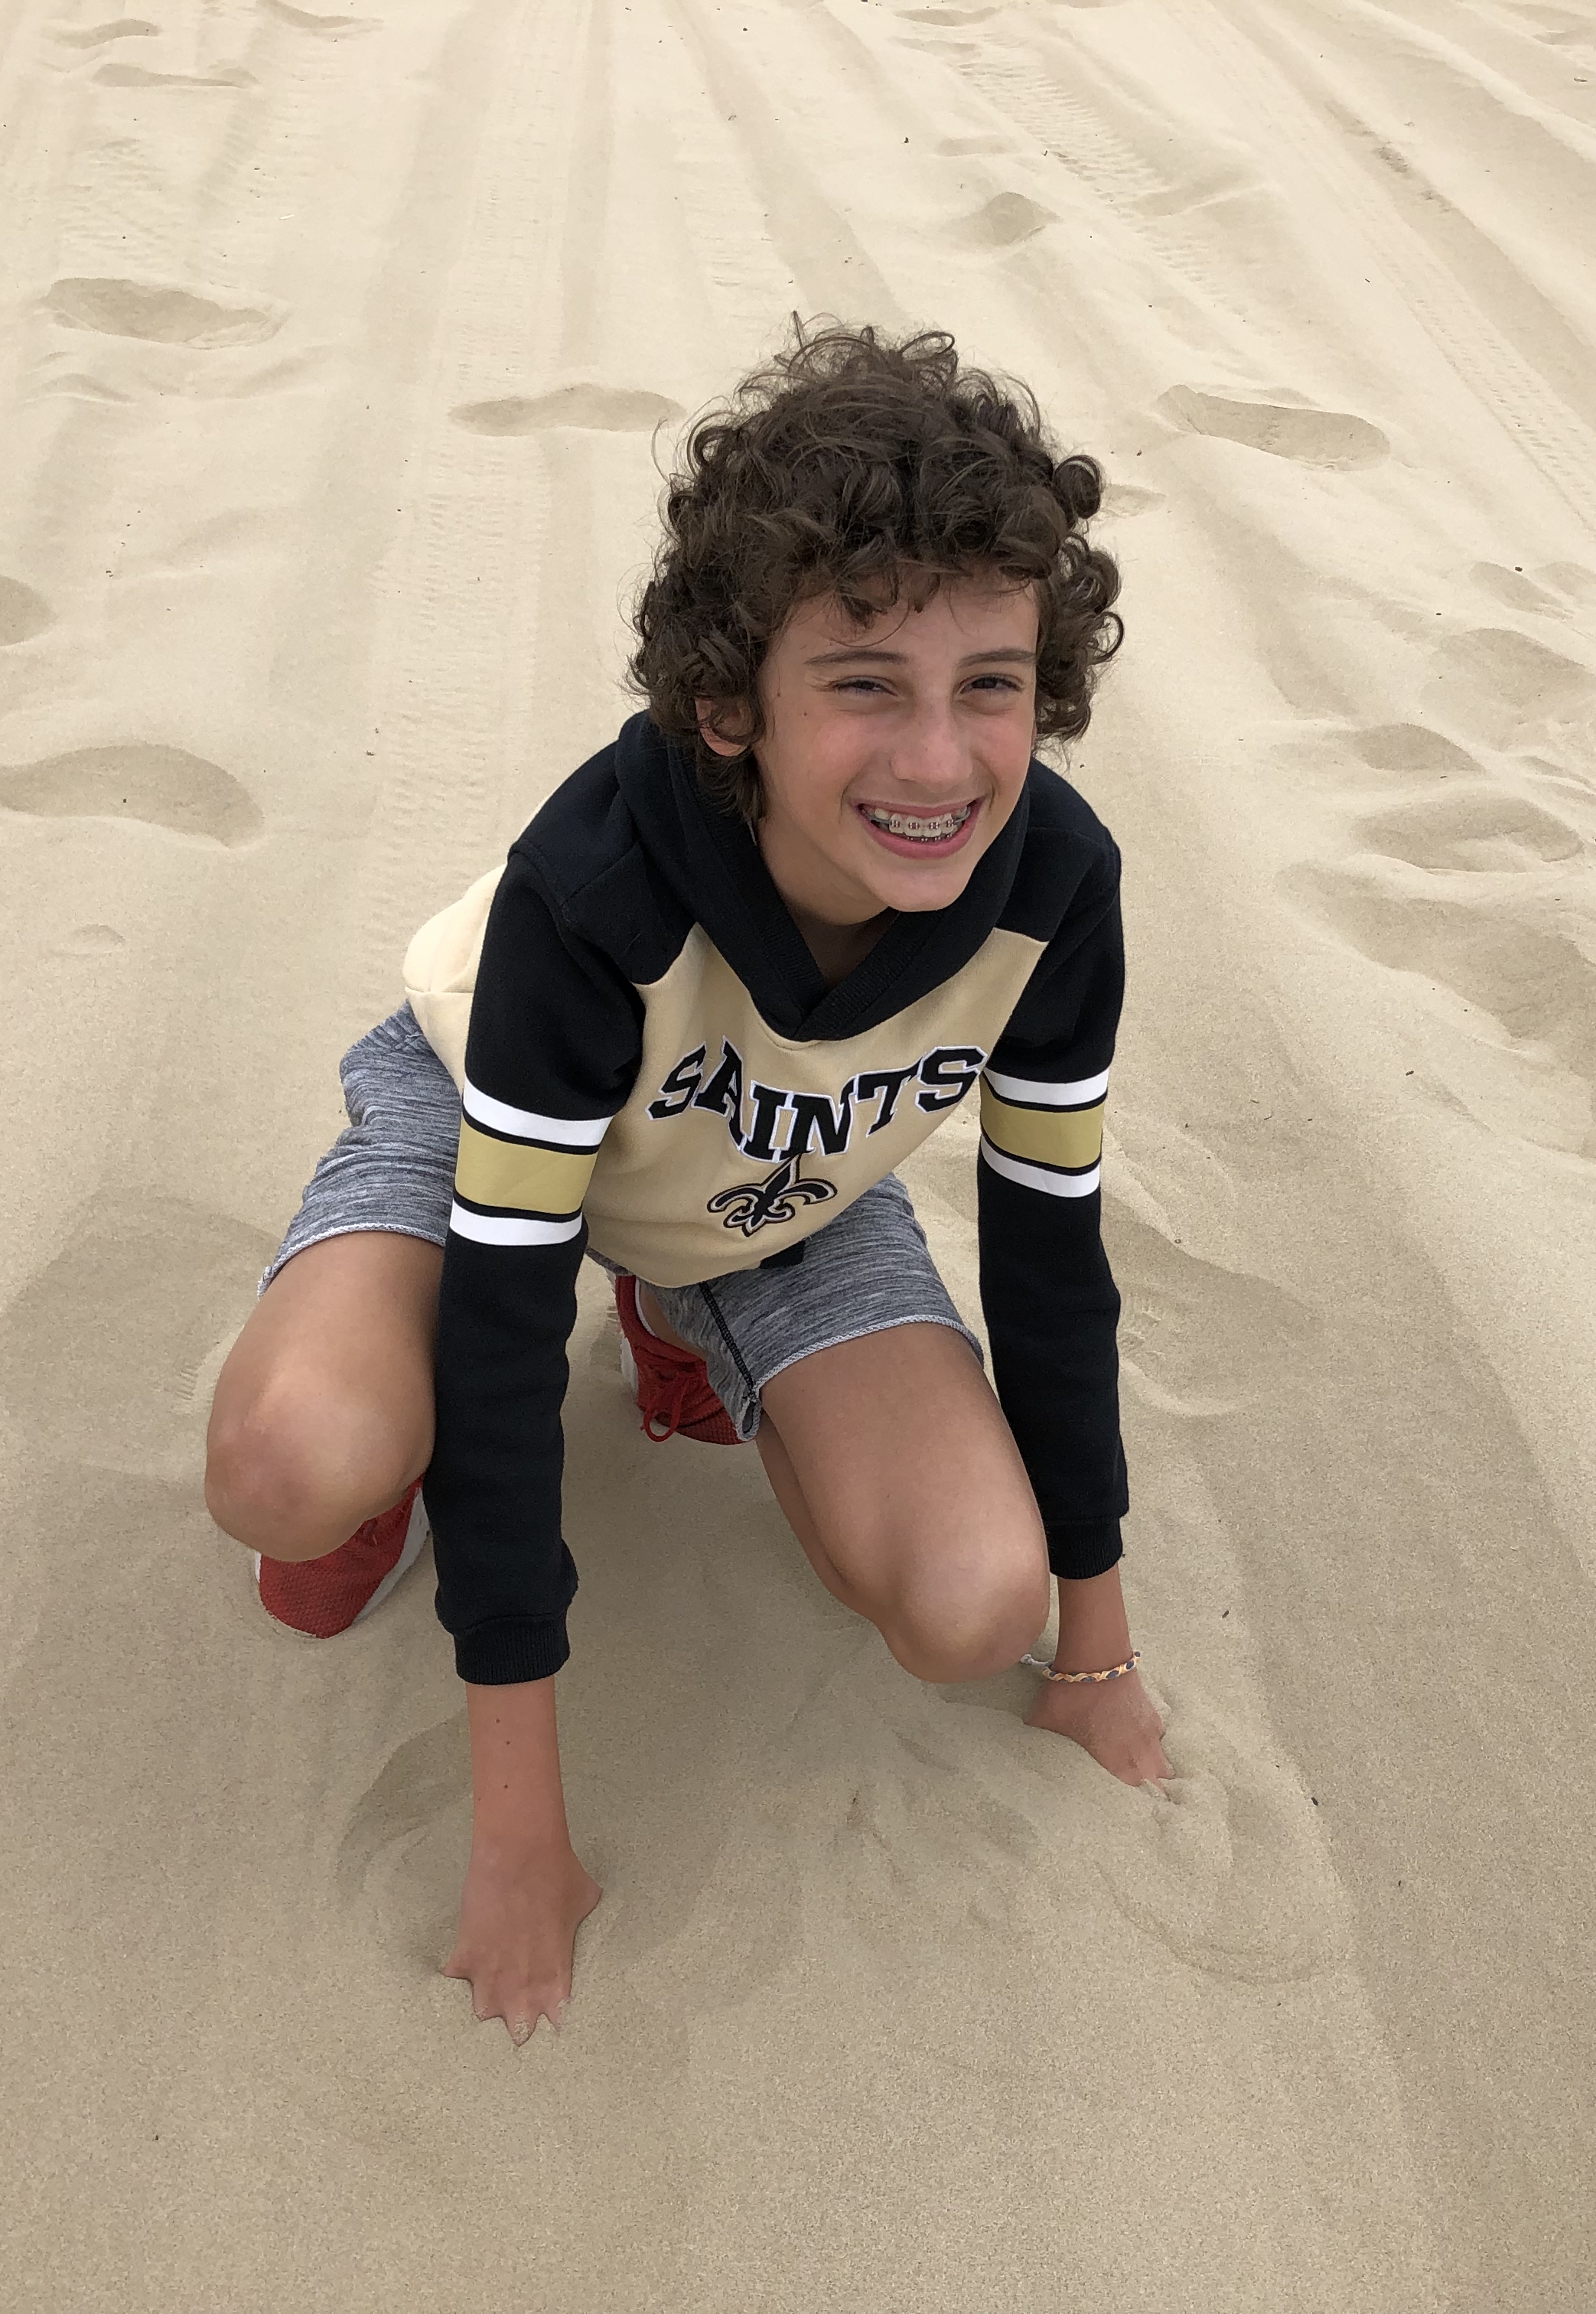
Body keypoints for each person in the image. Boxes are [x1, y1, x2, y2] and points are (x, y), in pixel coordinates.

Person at [203, 321, 1167, 2045]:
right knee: (290, 1466)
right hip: (495, 1113)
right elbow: (507, 1338)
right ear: (734, 701)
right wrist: (519, 1835)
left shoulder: (1059, 890)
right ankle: (376, 1461)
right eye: (864, 683)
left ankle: (688, 1312)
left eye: (992, 685)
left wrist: (1091, 1646)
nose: (939, 762)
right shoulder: (599, 886)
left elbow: (1052, 1262)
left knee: (974, 1602)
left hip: (789, 1179)